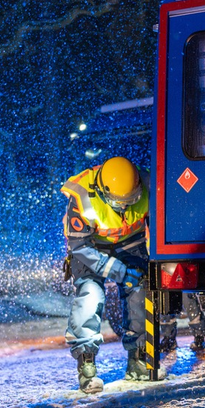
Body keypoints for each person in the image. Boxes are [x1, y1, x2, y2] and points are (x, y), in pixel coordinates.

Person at [61, 156, 167, 393]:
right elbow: (80, 248)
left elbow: (161, 225)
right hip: (90, 247)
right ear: (103, 191)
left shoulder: (150, 183)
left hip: (131, 243)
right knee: (90, 295)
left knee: (140, 292)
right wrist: (118, 271)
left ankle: (139, 360)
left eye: (131, 200)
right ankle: (86, 365)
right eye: (120, 202)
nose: (125, 206)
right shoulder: (82, 198)